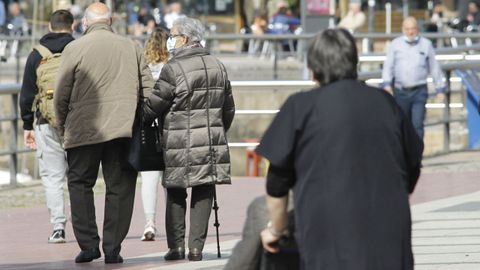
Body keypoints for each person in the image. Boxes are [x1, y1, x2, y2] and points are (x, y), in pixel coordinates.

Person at [257, 28, 424, 270]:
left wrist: (276, 229)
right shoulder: (386, 103)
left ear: (313, 68)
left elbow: (277, 182)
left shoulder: (300, 107)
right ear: (353, 62)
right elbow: (413, 165)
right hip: (388, 234)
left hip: (327, 237)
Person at [54, 2, 155, 264]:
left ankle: (88, 245)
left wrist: (62, 126)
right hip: (123, 130)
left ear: (85, 23)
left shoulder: (74, 48)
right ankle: (113, 248)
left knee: (79, 185)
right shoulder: (131, 47)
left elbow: (61, 94)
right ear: (110, 22)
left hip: (82, 129)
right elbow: (148, 91)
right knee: (120, 188)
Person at [142, 17, 235, 261]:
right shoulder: (218, 65)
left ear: (183, 39)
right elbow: (229, 108)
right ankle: (196, 248)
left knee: (175, 191)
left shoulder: (173, 68)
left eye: (173, 35)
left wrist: (140, 118)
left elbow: (154, 105)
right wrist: (217, 129)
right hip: (210, 141)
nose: (170, 40)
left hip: (177, 142)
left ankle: (176, 247)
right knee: (204, 190)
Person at [19, 9, 74, 245]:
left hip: (45, 122)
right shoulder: (78, 49)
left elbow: (27, 94)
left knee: (53, 177)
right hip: (76, 122)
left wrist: (27, 124)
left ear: (50, 27)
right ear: (72, 27)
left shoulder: (36, 54)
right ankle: (85, 227)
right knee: (79, 177)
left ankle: (58, 227)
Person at [382, 17, 446, 139]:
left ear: (417, 29)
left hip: (419, 90)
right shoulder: (396, 44)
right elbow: (388, 65)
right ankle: (405, 155)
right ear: (403, 29)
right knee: (402, 124)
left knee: (417, 124)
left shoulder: (426, 44)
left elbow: (434, 67)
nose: (410, 32)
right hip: (400, 91)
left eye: (413, 29)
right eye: (407, 29)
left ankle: (417, 156)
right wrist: (387, 84)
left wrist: (440, 89)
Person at [140, 27, 169, 242]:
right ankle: (173, 222)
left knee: (149, 178)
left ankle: (149, 223)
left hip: (148, 126)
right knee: (171, 177)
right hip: (169, 126)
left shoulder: (144, 66)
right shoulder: (173, 66)